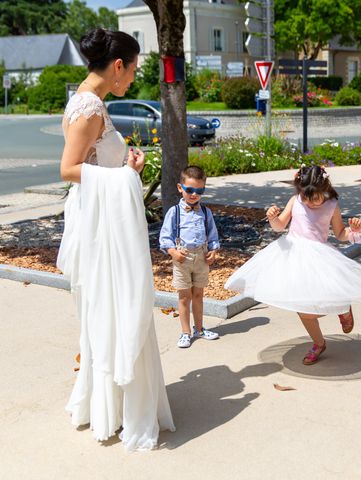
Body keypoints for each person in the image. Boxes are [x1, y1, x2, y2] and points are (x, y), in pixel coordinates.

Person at [57, 28, 174, 451]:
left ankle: (112, 403)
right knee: (116, 304)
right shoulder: (89, 106)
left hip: (102, 217)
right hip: (101, 228)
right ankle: (117, 405)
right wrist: (127, 177)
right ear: (117, 66)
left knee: (109, 309)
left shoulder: (90, 101)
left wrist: (126, 169)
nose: (132, 81)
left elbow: (92, 162)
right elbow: (69, 169)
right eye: (133, 71)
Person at [224, 165, 361, 365]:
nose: (311, 202)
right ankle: (319, 343)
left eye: (316, 197)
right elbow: (279, 227)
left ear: (325, 187)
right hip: (293, 256)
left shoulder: (332, 205)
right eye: (307, 197)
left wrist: (353, 230)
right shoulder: (295, 201)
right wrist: (272, 218)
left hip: (319, 258)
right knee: (302, 307)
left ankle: (343, 307)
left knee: (321, 301)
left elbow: (340, 234)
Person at [159, 165, 221, 349]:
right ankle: (186, 333)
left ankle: (200, 329)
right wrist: (173, 253)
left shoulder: (206, 213)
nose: (194, 194)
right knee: (184, 297)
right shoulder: (174, 212)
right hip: (182, 258)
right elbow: (165, 237)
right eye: (190, 190)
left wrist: (213, 252)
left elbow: (213, 235)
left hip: (201, 257)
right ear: (180, 188)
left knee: (199, 295)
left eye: (199, 190)